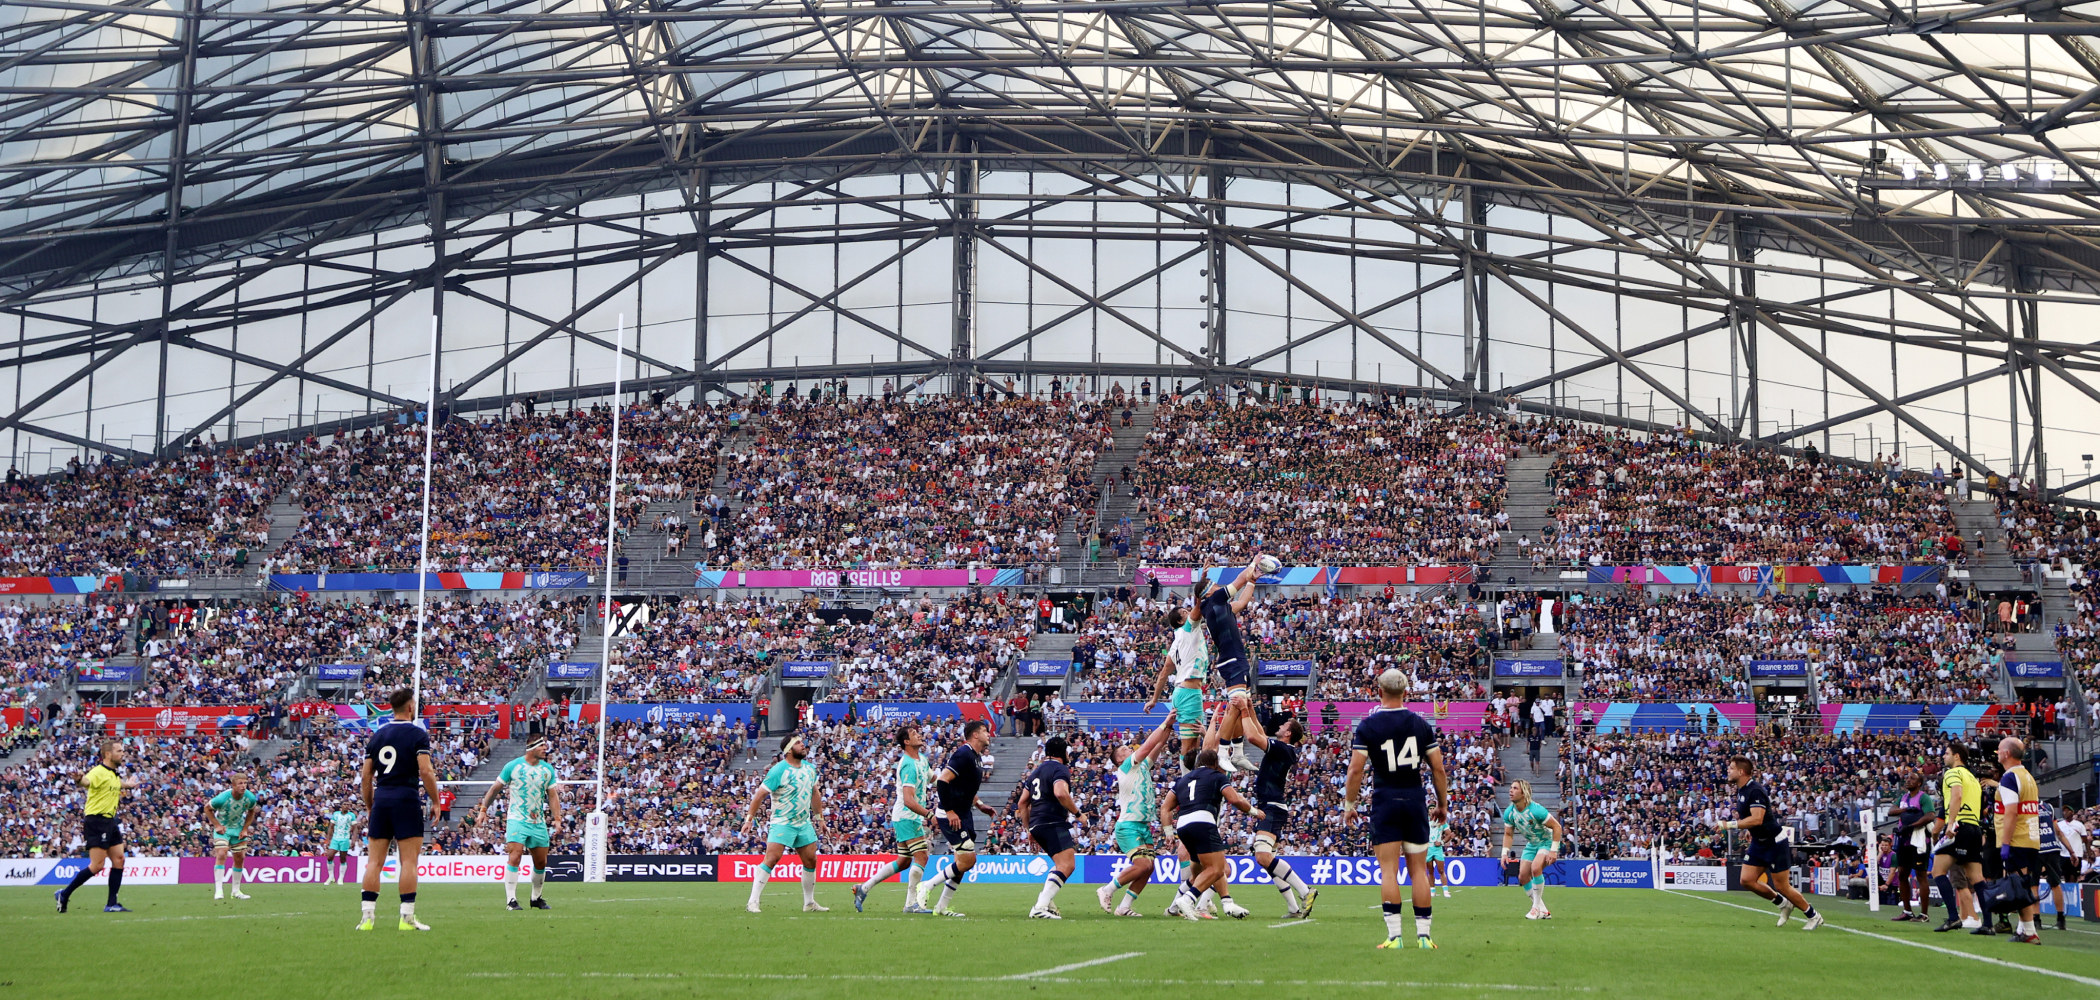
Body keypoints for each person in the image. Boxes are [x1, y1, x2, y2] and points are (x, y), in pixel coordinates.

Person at [1343, 668, 1451, 950]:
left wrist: (1349, 805)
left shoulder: (1367, 726)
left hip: (1385, 799)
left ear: (1379, 691)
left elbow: (1355, 770)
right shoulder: (1421, 725)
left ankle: (1394, 938)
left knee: (1388, 871)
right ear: (1406, 692)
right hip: (1414, 800)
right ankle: (1425, 937)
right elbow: (1438, 768)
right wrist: (1442, 804)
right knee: (1418, 871)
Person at [1160, 710, 1265, 921]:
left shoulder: (1184, 779)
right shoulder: (1216, 776)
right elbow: (1235, 799)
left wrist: (1168, 831)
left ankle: (1223, 903)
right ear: (1215, 763)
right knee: (1218, 869)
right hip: (1203, 823)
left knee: (1202, 872)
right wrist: (1253, 811)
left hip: (1184, 826)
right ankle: (1189, 901)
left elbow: (1165, 807)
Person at [359, 687, 442, 932]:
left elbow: (366, 777)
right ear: (409, 707)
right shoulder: (418, 734)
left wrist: (370, 806)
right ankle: (406, 918)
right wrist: (436, 801)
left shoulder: (377, 735)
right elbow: (425, 771)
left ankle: (367, 919)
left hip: (382, 798)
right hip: (406, 797)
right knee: (408, 862)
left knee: (374, 862)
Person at [1714, 754, 1822, 931]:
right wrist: (1749, 831)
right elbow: (1752, 819)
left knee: (1782, 886)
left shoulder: (1755, 790)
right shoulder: (1742, 790)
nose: (1728, 770)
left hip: (1774, 842)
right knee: (1747, 880)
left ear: (1741, 772)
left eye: (1731, 768)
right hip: (1759, 841)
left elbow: (1757, 818)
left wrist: (1730, 825)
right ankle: (1783, 904)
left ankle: (1813, 915)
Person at [1238, 700, 1316, 917]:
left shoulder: (1283, 749)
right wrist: (1251, 709)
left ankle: (1305, 891)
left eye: (1283, 726)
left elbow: (1253, 737)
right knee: (1268, 860)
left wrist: (1243, 710)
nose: (1279, 726)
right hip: (1271, 806)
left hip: (1272, 807)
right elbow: (1259, 732)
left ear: (1288, 733)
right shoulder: (1283, 748)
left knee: (1262, 857)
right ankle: (1293, 907)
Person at [852, 725, 935, 915]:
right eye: (914, 734)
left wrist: (952, 782)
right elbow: (908, 799)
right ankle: (910, 904)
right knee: (922, 856)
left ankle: (863, 888)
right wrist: (929, 815)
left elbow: (934, 779)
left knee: (904, 861)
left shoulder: (921, 760)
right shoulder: (907, 764)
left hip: (908, 817)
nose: (919, 735)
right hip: (907, 816)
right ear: (906, 742)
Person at [919, 720, 998, 916]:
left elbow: (966, 788)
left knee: (961, 864)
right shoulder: (964, 753)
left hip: (963, 812)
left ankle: (942, 907)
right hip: (951, 814)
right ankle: (927, 886)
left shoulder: (976, 757)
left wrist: (980, 805)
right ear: (975, 735)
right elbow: (943, 780)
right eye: (985, 731)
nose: (988, 734)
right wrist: (950, 810)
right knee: (968, 860)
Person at [740, 733, 826, 914]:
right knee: (772, 858)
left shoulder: (810, 769)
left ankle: (809, 903)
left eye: (802, 742)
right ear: (788, 750)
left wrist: (820, 818)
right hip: (782, 822)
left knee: (811, 860)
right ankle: (752, 902)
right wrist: (749, 819)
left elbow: (815, 793)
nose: (803, 745)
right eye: (798, 743)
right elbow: (759, 796)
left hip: (803, 822)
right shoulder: (778, 770)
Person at [475, 738, 563, 911]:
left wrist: (557, 818)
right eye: (542, 746)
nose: (546, 748)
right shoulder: (513, 766)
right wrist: (483, 809)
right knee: (515, 856)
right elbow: (495, 789)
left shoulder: (547, 769)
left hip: (538, 821)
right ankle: (511, 900)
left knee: (541, 862)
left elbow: (552, 796)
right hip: (517, 819)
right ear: (531, 748)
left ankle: (536, 898)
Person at [1196, 554, 1266, 772]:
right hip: (1232, 660)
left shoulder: (1219, 607)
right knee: (1236, 704)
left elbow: (1243, 601)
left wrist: (1253, 580)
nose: (1219, 587)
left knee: (1240, 705)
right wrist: (1253, 564)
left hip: (1236, 659)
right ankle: (1223, 751)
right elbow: (1239, 580)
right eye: (1215, 585)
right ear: (1208, 591)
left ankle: (1237, 751)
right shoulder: (1214, 601)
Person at [53, 740, 140, 914]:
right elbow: (87, 781)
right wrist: (79, 780)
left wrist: (128, 785)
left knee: (119, 860)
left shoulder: (113, 774)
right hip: (96, 821)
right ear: (108, 754)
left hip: (109, 821)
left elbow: (115, 784)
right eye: (119, 751)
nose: (123, 753)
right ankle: (64, 894)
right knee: (97, 865)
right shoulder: (98, 771)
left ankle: (111, 903)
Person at [1099, 715, 1174, 916]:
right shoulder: (1126, 767)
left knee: (1149, 868)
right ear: (1119, 760)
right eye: (1123, 749)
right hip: (1129, 825)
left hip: (1142, 824)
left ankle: (1124, 907)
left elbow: (1157, 745)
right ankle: (1107, 889)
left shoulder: (1141, 767)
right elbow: (1149, 745)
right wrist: (1165, 722)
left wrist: (1170, 727)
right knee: (1143, 864)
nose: (1128, 748)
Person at [1016, 735, 1087, 919]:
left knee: (1060, 864)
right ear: (1064, 753)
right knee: (1068, 864)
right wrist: (1078, 814)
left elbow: (1022, 803)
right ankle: (1040, 907)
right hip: (1052, 821)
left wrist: (1029, 829)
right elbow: (1061, 793)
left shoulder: (1035, 773)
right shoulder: (1060, 769)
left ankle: (1046, 904)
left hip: (1037, 823)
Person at [1929, 745, 1987, 933]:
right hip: (1975, 827)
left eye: (1945, 753)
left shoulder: (1953, 773)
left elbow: (1957, 795)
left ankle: (1953, 918)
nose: (1943, 756)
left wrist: (1951, 823)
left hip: (1959, 826)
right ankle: (1988, 923)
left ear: (1956, 756)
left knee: (1938, 871)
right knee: (1977, 877)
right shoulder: (1973, 778)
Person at [1146, 602, 1210, 769]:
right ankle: (1186, 785)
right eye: (1184, 612)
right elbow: (1199, 607)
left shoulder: (1176, 643)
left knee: (1193, 745)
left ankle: (1189, 783)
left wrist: (1154, 700)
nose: (1188, 611)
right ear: (1181, 621)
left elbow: (1163, 674)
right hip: (1189, 693)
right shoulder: (1189, 628)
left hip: (1183, 691)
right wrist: (1200, 592)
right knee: (1189, 747)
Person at [1994, 737, 2042, 944]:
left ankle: (2029, 931)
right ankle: (2023, 928)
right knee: (2024, 884)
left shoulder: (2009, 777)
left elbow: (2011, 812)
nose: (1996, 753)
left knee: (2018, 886)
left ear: (2006, 754)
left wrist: (2005, 843)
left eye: (1998, 750)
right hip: (2031, 838)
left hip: (2018, 838)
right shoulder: (2027, 776)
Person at [1500, 780, 1563, 919]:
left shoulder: (1536, 810)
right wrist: (1504, 853)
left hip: (1546, 842)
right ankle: (1543, 911)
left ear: (1523, 792)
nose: (1510, 790)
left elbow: (1557, 827)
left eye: (1515, 788)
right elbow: (1508, 834)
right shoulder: (1509, 813)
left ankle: (1535, 909)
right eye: (1510, 787)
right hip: (1532, 844)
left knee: (1535, 868)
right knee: (1522, 876)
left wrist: (1553, 850)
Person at [1889, 772, 1937, 922]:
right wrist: (1905, 810)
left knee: (1921, 875)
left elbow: (1930, 815)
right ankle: (1907, 911)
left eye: (1912, 779)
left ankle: (1924, 914)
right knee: (1902, 874)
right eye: (1907, 778)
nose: (1908, 780)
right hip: (1904, 841)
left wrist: (1910, 826)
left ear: (1919, 783)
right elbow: (1891, 811)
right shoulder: (1903, 797)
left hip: (1919, 841)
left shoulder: (1923, 797)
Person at [206, 773, 262, 901]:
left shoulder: (250, 798)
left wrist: (245, 829)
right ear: (233, 785)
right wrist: (217, 825)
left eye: (245, 783)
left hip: (238, 829)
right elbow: (207, 808)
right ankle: (219, 890)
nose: (243, 786)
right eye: (240, 783)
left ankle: (236, 891)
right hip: (223, 829)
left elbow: (251, 811)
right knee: (221, 853)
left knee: (240, 857)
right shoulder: (222, 798)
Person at [2037, 796, 2073, 933]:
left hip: (2037, 848)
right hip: (2053, 848)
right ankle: (2060, 918)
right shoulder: (2048, 807)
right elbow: (2058, 831)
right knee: (2055, 884)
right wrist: (2071, 851)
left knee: (2033, 884)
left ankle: (2036, 919)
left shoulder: (2026, 808)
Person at [323, 802, 360, 886]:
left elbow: (355, 829)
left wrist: (353, 840)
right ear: (341, 806)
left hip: (345, 839)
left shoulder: (351, 815)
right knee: (330, 856)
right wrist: (328, 840)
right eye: (345, 804)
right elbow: (331, 827)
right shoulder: (336, 814)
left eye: (348, 805)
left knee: (342, 858)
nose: (346, 806)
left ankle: (340, 878)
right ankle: (331, 877)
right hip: (335, 838)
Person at [1426, 817, 1453, 900]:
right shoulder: (1425, 820)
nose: (1432, 810)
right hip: (1428, 848)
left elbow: (1449, 834)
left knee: (1441, 870)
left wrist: (1442, 842)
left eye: (1433, 808)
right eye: (1430, 809)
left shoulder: (1441, 821)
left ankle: (1445, 890)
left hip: (1437, 849)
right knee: (1430, 870)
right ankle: (1432, 890)